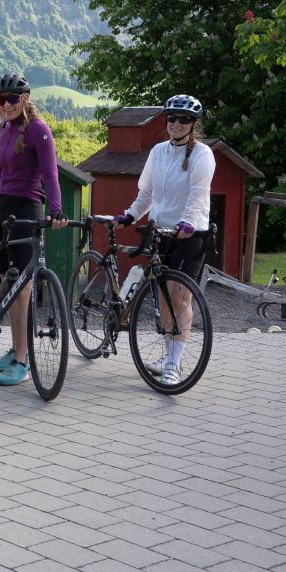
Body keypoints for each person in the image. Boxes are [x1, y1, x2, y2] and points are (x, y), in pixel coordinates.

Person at [0, 72, 67, 387]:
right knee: (10, 285)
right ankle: (15, 348)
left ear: (25, 98)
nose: (5, 104)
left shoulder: (39, 130)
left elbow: (50, 174)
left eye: (11, 98)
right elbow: (3, 172)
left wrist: (56, 210)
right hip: (4, 209)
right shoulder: (6, 128)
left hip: (26, 209)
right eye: (0, 100)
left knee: (22, 288)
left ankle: (22, 360)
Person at [114, 94, 214, 384]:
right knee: (162, 295)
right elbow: (147, 193)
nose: (177, 124)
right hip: (162, 232)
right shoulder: (158, 151)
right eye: (172, 118)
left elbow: (198, 193)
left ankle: (175, 362)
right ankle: (169, 353)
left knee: (179, 295)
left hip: (190, 233)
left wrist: (188, 221)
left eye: (184, 119)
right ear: (165, 121)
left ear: (193, 123)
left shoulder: (202, 154)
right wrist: (131, 215)